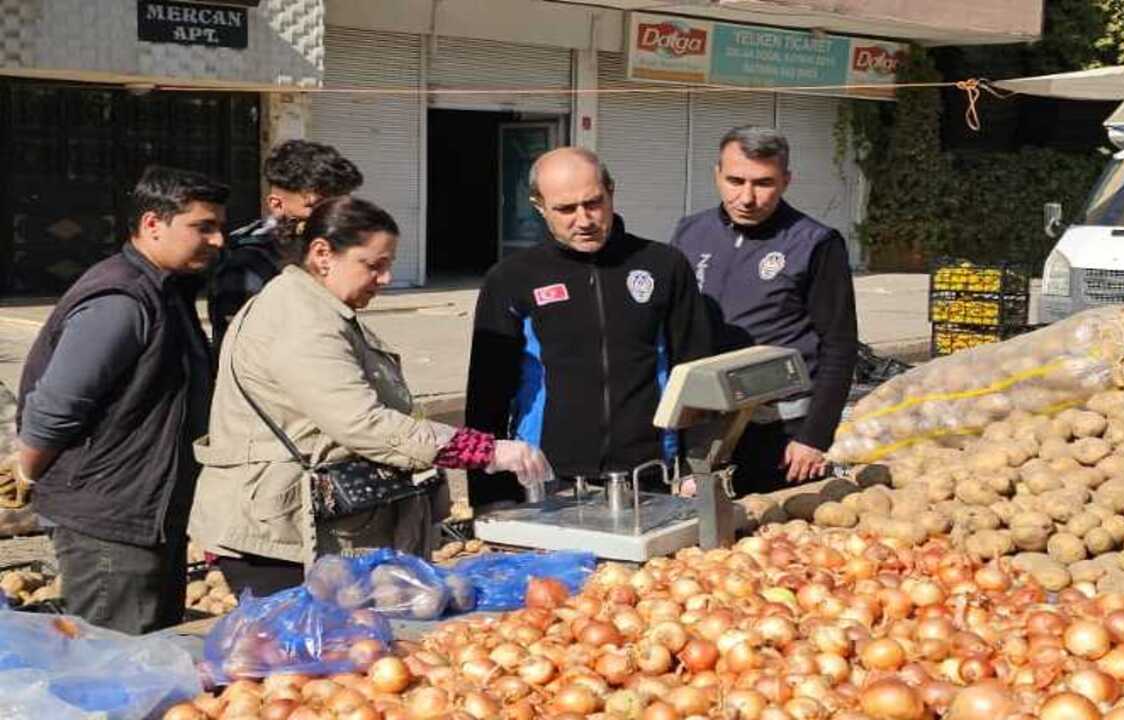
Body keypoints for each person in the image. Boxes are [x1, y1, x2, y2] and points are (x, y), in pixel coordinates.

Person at [188, 196, 549, 596]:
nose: (386, 279)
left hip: (295, 521)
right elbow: (363, 422)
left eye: (388, 264)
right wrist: (484, 451)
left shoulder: (318, 309)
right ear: (323, 254)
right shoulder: (301, 321)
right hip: (277, 536)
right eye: (373, 265)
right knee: (302, 651)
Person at [14, 166, 228, 634]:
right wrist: (26, 470)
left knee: (151, 648)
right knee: (116, 659)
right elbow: (55, 406)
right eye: (203, 227)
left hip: (145, 511)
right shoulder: (122, 299)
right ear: (153, 224)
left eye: (219, 227)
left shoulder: (165, 289)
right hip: (109, 520)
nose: (217, 240)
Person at [465, 147, 713, 508]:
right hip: (548, 475)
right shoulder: (512, 277)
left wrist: (697, 465)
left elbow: (694, 368)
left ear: (611, 191)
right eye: (565, 209)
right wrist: (488, 497)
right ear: (539, 205)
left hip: (646, 471)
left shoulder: (664, 266)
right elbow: (487, 392)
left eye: (593, 203)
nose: (583, 220)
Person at [672, 126, 859, 493]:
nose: (746, 197)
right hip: (704, 425)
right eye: (735, 180)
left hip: (781, 432)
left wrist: (814, 436)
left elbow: (839, 345)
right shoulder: (690, 233)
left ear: (786, 181)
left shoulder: (814, 243)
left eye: (763, 183)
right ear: (717, 175)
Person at [208, 139, 363, 362]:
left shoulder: (322, 247)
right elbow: (241, 347)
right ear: (277, 205)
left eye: (341, 205)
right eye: (317, 206)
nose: (335, 217)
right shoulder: (247, 262)